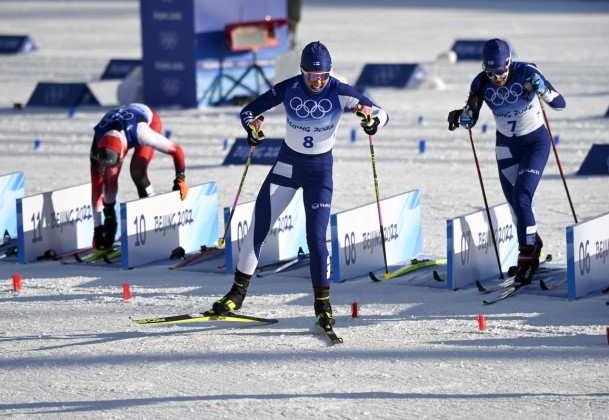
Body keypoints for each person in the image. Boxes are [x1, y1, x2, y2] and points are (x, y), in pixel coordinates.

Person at [204, 41, 388, 327]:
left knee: (315, 238)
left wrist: (372, 121)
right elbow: (249, 111)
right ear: (302, 71)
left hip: (318, 171)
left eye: (323, 76)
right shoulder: (289, 87)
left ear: (330, 72)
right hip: (287, 166)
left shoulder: (340, 90)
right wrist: (252, 128)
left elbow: (380, 112)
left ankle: (323, 305)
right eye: (311, 76)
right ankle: (236, 295)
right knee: (258, 227)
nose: (317, 82)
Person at [447, 38, 566, 285]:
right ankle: (534, 244)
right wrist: (462, 117)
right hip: (506, 146)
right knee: (514, 204)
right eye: (491, 73)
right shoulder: (481, 83)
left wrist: (543, 90)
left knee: (523, 197)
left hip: (535, 143)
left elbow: (560, 104)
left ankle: (526, 257)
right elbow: (472, 116)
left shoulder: (527, 72)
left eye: (500, 72)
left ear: (509, 64)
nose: (497, 78)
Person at [90, 103, 188, 250]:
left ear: (122, 154)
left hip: (145, 120)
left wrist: (180, 178)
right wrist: (99, 227)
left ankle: (152, 218)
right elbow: (96, 189)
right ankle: (112, 218)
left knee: (137, 170)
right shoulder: (97, 147)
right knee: (109, 177)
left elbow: (176, 150)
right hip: (120, 125)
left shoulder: (142, 133)